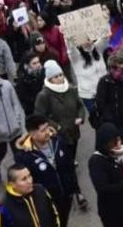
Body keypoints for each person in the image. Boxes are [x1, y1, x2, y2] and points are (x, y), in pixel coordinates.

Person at [13, 114, 84, 227]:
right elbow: (25, 185)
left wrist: (76, 190)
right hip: (45, 204)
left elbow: (68, 166)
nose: (47, 132)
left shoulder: (58, 141)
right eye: (42, 130)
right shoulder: (25, 157)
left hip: (64, 197)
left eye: (47, 128)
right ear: (32, 133)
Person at [34, 61, 89, 210]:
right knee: (67, 164)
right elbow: (40, 116)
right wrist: (56, 126)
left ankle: (70, 189)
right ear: (49, 79)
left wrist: (80, 117)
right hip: (58, 136)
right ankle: (77, 193)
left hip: (73, 133)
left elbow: (80, 106)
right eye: (56, 76)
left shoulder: (70, 89)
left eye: (60, 75)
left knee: (68, 162)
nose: (59, 78)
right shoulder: (44, 95)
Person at [67, 35, 108, 117]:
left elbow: (104, 36)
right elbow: (71, 48)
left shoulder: (98, 47)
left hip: (105, 90)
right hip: (89, 95)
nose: (87, 40)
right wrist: (68, 37)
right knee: (98, 120)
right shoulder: (75, 55)